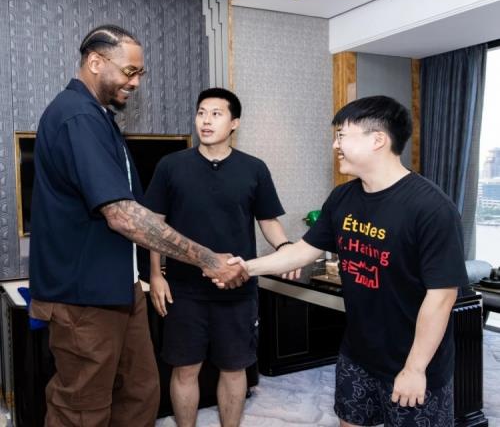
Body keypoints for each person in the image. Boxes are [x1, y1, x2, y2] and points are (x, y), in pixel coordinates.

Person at [28, 25, 246, 427]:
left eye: (140, 74)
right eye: (130, 72)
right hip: (84, 296)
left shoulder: (100, 117)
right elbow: (122, 214)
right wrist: (208, 259)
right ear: (96, 62)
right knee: (83, 408)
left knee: (140, 391)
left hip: (119, 289)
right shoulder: (77, 116)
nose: (135, 82)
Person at [225, 95, 469, 427]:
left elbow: (441, 297)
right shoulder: (343, 197)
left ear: (378, 139)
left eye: (342, 135)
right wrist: (245, 267)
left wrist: (415, 368)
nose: (335, 145)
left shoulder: (431, 208)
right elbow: (302, 251)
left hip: (413, 358)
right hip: (358, 352)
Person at [145, 87, 297, 427]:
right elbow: (154, 226)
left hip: (237, 287)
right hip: (184, 289)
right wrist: (156, 274)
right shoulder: (171, 166)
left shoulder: (254, 168)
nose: (206, 120)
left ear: (234, 123)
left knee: (234, 367)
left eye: (216, 114)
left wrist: (286, 249)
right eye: (201, 112)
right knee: (185, 369)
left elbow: (268, 220)